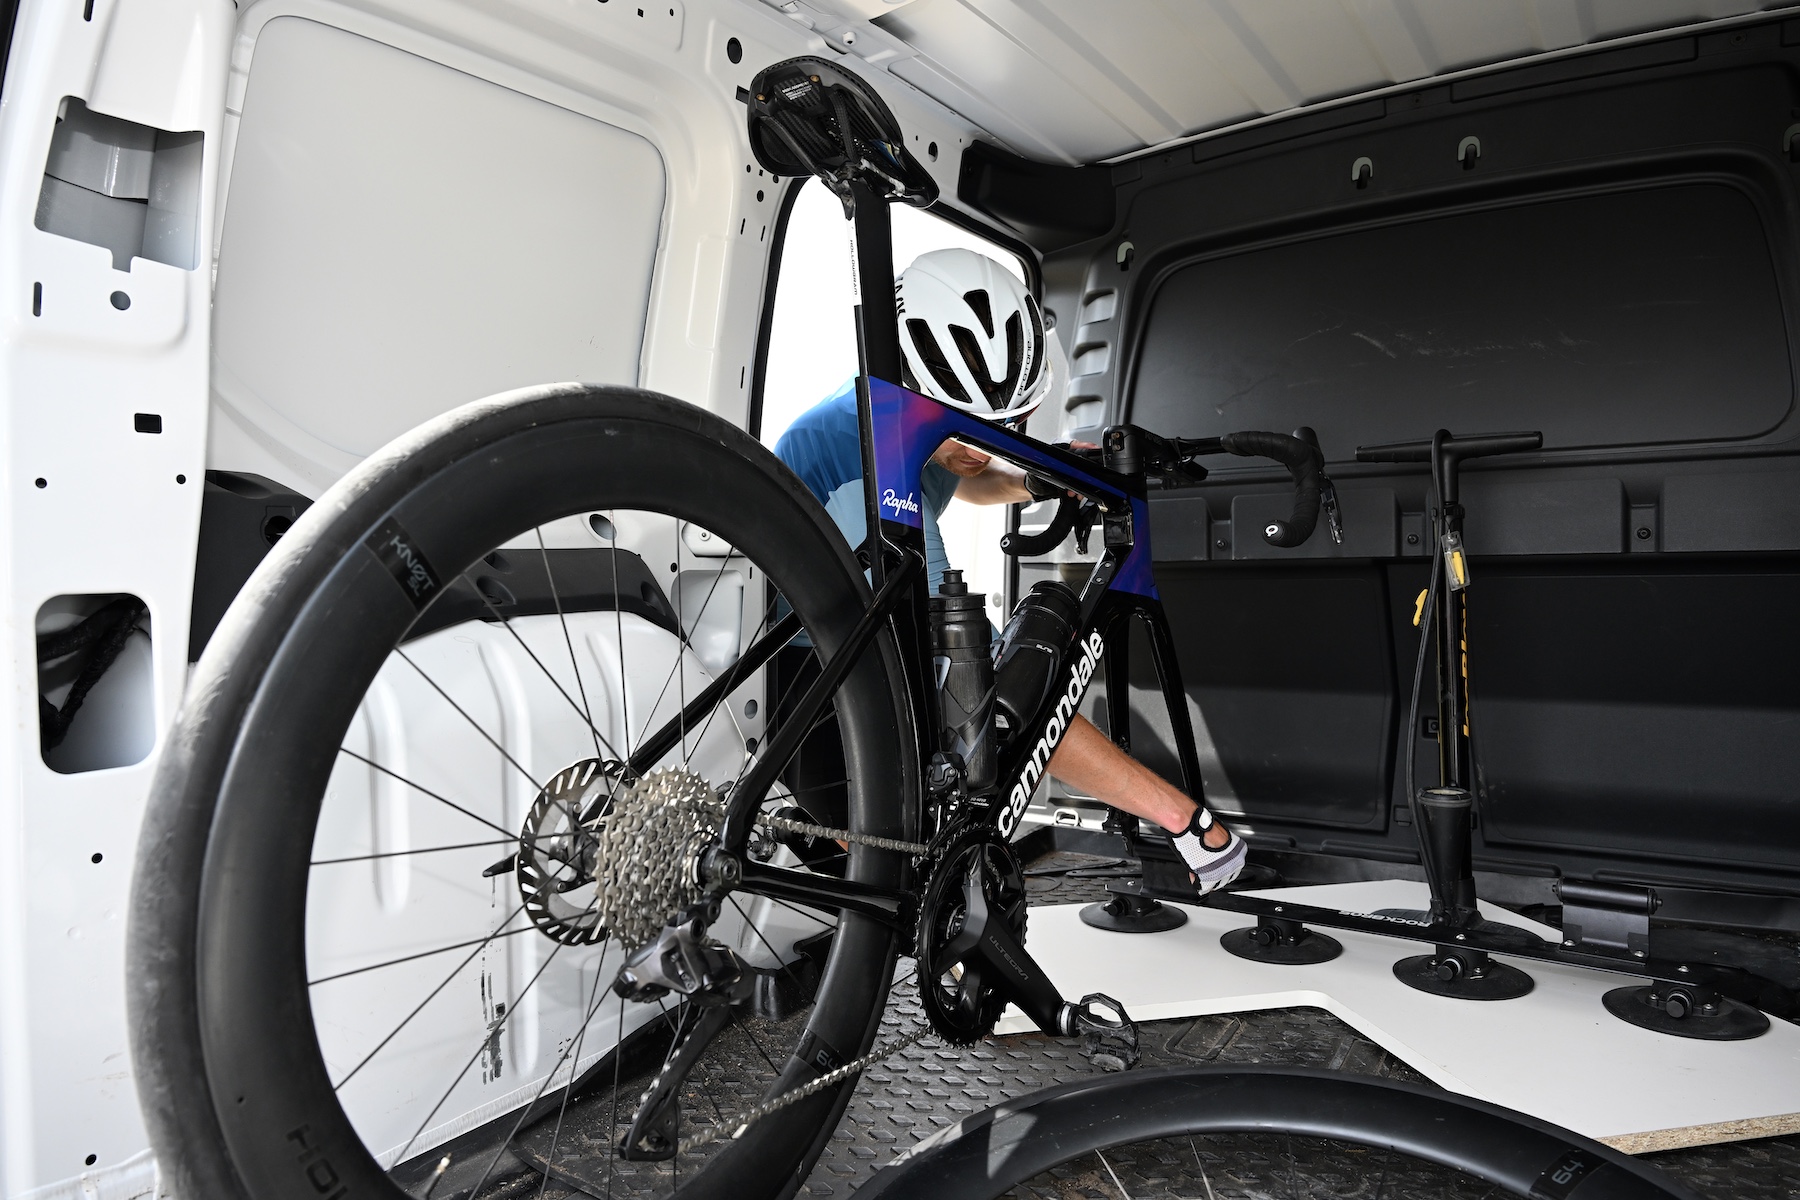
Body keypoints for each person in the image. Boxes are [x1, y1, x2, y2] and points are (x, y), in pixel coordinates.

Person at [773, 248, 1245, 896]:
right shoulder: (861, 462)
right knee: (1008, 685)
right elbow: (983, 686)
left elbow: (960, 476)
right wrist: (1183, 817)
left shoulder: (906, 420)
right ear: (912, 383)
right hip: (812, 695)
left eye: (994, 428)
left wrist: (1035, 480)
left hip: (853, 665)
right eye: (964, 430)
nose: (978, 447)